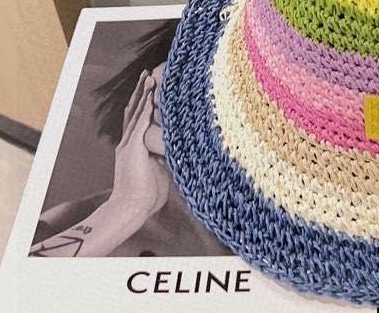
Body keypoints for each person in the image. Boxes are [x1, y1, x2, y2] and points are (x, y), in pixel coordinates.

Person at [31, 23, 230, 258]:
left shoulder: (263, 234)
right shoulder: (65, 223)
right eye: (180, 57)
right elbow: (16, 281)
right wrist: (127, 206)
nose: (175, 89)